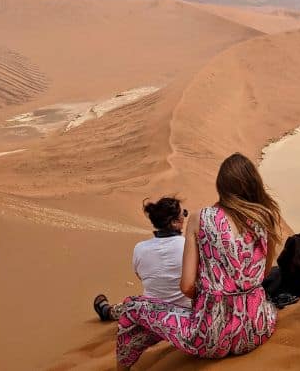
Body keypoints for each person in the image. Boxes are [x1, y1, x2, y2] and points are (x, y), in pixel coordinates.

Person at [115, 153, 280, 369]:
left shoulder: (199, 218)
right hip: (257, 330)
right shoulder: (265, 217)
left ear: (221, 186)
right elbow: (264, 274)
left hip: (210, 338)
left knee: (132, 308)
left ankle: (122, 368)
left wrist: (211, 298)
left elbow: (186, 286)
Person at [93, 197, 191, 321]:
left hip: (150, 313)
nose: (185, 217)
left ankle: (108, 311)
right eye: (184, 214)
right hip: (185, 313)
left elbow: (140, 276)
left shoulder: (140, 248)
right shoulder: (189, 246)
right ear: (175, 222)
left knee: (135, 305)